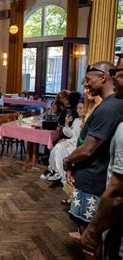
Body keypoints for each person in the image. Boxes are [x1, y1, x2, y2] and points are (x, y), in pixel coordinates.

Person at [63, 62, 123, 238]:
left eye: (88, 80)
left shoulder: (109, 108)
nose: (85, 84)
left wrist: (68, 161)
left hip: (91, 179)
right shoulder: (111, 104)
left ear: (103, 78)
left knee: (88, 232)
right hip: (91, 175)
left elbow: (88, 149)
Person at [81, 64, 123, 259]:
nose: (114, 77)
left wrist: (93, 228)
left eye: (118, 73)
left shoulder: (110, 108)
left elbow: (117, 192)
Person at [41, 101, 84, 184]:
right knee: (57, 146)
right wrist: (67, 123)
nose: (78, 110)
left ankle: (54, 171)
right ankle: (55, 170)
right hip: (71, 142)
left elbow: (79, 139)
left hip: (77, 146)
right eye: (77, 108)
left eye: (80, 108)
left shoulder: (87, 122)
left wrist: (68, 140)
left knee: (59, 147)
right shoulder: (76, 120)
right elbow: (70, 134)